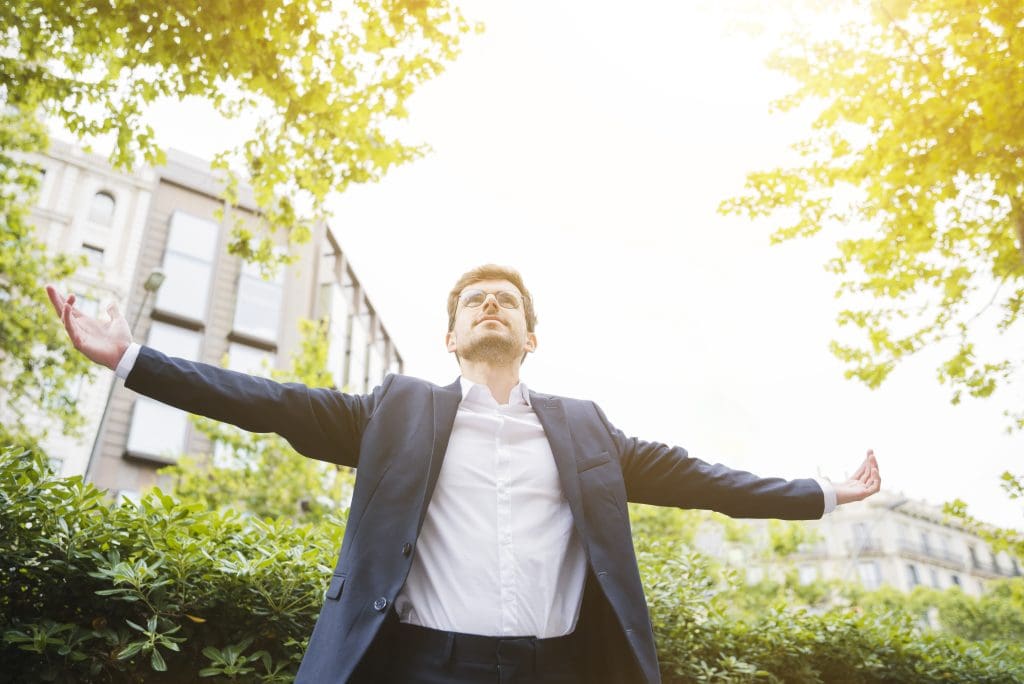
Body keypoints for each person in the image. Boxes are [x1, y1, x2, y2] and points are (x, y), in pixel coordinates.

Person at [46, 264, 881, 684]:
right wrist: (131, 359)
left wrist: (826, 493)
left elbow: (699, 477)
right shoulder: (397, 412)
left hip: (558, 667)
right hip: (421, 667)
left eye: (505, 302)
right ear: (448, 337)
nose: (490, 306)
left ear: (530, 336)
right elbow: (269, 401)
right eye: (473, 302)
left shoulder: (585, 428)